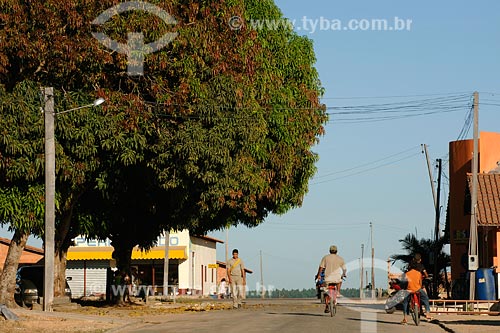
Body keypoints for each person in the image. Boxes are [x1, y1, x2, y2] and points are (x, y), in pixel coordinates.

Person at [316, 245, 347, 313]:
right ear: (336, 251)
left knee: (325, 290)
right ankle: (338, 292)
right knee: (340, 281)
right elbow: (344, 269)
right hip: (337, 278)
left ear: (329, 251)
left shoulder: (325, 257)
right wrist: (344, 274)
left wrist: (318, 275)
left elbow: (321, 267)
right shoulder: (340, 258)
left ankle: (327, 305)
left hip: (327, 278)